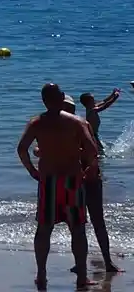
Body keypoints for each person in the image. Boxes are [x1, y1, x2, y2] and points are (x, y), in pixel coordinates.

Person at [18, 83, 99, 290]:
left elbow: (21, 149)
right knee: (78, 230)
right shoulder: (77, 122)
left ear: (43, 100)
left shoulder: (36, 123)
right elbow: (92, 150)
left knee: (44, 229)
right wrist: (88, 170)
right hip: (72, 180)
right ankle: (81, 276)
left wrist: (32, 171)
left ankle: (42, 274)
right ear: (62, 97)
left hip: (49, 181)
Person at [77, 89, 121, 274]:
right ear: (88, 102)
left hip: (96, 139)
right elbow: (105, 106)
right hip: (93, 141)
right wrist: (115, 97)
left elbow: (102, 103)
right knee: (99, 159)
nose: (95, 99)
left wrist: (112, 95)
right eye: (93, 98)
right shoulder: (92, 111)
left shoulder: (90, 109)